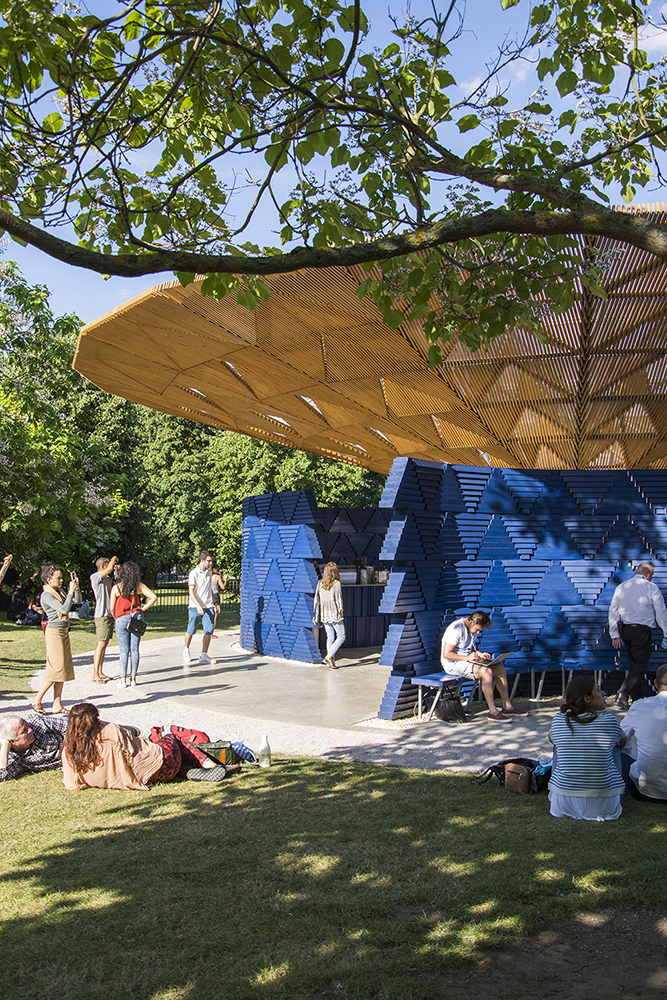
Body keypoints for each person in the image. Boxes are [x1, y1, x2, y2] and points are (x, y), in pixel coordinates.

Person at [61, 703, 229, 789]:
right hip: (162, 765)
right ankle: (210, 764)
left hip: (151, 778)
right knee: (171, 737)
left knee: (171, 760)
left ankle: (187, 772)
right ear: (95, 720)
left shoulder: (69, 751)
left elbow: (71, 783)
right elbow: (136, 745)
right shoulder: (110, 733)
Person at [548, 675, 626, 821]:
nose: (604, 694)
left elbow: (551, 739)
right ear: (587, 699)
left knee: (558, 746)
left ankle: (562, 786)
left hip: (561, 804)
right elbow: (624, 742)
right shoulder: (609, 721)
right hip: (605, 805)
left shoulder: (559, 720)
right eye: (598, 690)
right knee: (615, 745)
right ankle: (613, 787)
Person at [0, 711, 140, 782]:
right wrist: (4, 747)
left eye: (26, 726)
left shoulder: (36, 722)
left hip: (72, 741)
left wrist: (74, 745)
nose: (29, 730)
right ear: (12, 742)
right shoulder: (16, 758)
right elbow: (3, 774)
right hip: (72, 759)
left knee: (90, 727)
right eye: (23, 731)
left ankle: (122, 730)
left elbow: (69, 727)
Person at [440, 610, 526, 722]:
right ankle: (493, 712)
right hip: (453, 664)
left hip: (467, 661)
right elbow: (447, 654)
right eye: (478, 630)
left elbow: (467, 647)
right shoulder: (456, 629)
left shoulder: (471, 629)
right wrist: (467, 658)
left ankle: (507, 706)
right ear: (472, 623)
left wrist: (479, 654)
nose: (478, 633)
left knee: (500, 668)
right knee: (486, 672)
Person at [608, 562, 667, 710]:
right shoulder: (650, 587)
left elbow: (613, 610)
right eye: (651, 575)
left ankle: (637, 696)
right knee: (640, 665)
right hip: (641, 630)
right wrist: (666, 631)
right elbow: (661, 611)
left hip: (625, 630)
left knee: (634, 664)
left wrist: (614, 633)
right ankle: (623, 694)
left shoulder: (622, 587)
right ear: (647, 574)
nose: (651, 578)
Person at [33, 564, 81, 714]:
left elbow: (76, 602)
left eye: (61, 578)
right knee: (56, 669)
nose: (61, 581)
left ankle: (56, 704)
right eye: (58, 578)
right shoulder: (46, 595)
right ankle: (36, 700)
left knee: (63, 669)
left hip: (63, 631)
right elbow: (64, 609)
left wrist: (76, 588)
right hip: (54, 633)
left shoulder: (58, 592)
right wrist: (71, 592)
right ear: (48, 580)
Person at [620, 663, 667, 803]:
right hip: (647, 789)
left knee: (619, 755)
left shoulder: (639, 706)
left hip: (646, 791)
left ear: (656, 683)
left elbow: (620, 740)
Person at [110, 561, 157, 688]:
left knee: (123, 650)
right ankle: (133, 678)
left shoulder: (117, 588)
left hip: (121, 618)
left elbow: (111, 608)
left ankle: (123, 679)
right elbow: (153, 597)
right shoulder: (138, 586)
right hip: (136, 617)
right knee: (135, 649)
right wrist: (143, 609)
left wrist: (116, 618)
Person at [183, 550, 218, 664]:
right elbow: (191, 591)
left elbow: (209, 589)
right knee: (191, 629)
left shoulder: (209, 573)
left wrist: (215, 603)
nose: (211, 563)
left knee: (208, 630)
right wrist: (198, 606)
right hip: (195, 606)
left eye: (211, 561)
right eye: (209, 561)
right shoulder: (194, 573)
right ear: (202, 560)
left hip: (208, 606)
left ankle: (204, 654)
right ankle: (186, 650)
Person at [90, 555, 119, 683]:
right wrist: (114, 558)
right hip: (101, 615)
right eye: (108, 565)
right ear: (102, 566)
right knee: (100, 644)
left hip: (108, 614)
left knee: (105, 644)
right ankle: (95, 674)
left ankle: (100, 671)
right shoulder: (95, 577)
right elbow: (108, 569)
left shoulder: (107, 579)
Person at [313, 561, 345, 668]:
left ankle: (332, 660)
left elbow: (317, 600)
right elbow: (338, 599)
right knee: (341, 636)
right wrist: (341, 610)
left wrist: (316, 615)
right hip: (334, 614)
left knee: (330, 636)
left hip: (324, 614)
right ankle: (329, 656)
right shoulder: (336, 584)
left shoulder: (320, 583)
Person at [211, 563, 228, 637]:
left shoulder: (208, 577)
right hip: (215, 595)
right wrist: (225, 579)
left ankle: (208, 633)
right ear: (214, 569)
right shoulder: (217, 577)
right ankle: (211, 633)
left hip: (209, 596)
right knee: (215, 616)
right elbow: (223, 587)